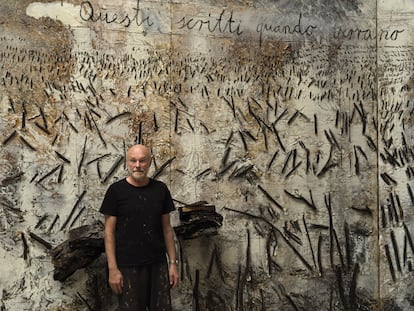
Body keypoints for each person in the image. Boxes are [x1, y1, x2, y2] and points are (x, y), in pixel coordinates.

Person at [100, 144, 179, 311]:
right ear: (127, 163)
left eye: (142, 161)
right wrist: (113, 269)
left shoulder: (160, 189)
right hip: (127, 265)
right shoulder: (116, 191)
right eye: (133, 161)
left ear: (150, 162)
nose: (137, 165)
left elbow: (167, 229)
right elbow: (109, 233)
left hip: (158, 264)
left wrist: (172, 263)